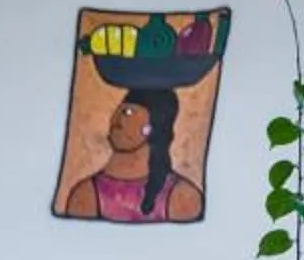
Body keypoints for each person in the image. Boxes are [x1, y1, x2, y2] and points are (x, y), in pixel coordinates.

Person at [64, 86, 206, 223]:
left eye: (129, 113)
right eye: (118, 111)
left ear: (152, 128)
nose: (116, 120)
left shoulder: (182, 196)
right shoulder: (86, 194)